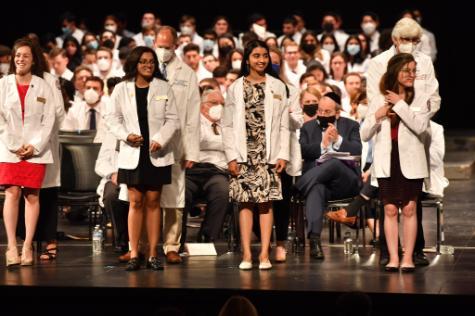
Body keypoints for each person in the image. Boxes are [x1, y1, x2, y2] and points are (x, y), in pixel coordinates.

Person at [366, 17, 441, 266]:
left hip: (414, 136)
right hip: (388, 135)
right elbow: (375, 101)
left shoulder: (424, 62)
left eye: (414, 41)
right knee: (388, 207)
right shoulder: (378, 63)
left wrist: (407, 107)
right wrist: (384, 111)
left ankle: (412, 253)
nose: (410, 44)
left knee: (411, 206)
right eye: (406, 40)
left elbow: (431, 99)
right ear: (395, 39)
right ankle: (390, 253)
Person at [107, 46, 180, 271]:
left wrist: (160, 139)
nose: (148, 65)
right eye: (143, 62)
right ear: (134, 64)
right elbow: (111, 118)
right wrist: (126, 136)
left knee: (153, 202)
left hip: (156, 152)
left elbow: (173, 120)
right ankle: (135, 253)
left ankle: (152, 254)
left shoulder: (163, 87)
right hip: (133, 151)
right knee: (135, 202)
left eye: (151, 62)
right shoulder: (121, 88)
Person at [223, 40, 290, 270]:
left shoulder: (278, 86)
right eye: (256, 56)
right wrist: (231, 156)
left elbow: (283, 125)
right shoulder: (235, 87)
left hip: (268, 152)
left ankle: (264, 254)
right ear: (247, 59)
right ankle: (246, 255)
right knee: (245, 203)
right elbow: (227, 125)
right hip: (244, 153)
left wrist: (283, 154)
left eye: (265, 56)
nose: (261, 60)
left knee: (265, 203)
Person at [361, 53, 431, 272]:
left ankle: (408, 257)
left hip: (411, 160)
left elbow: (420, 127)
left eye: (413, 70)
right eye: (406, 70)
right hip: (386, 160)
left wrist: (400, 105)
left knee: (410, 209)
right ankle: (393, 257)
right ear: (394, 72)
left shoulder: (419, 97)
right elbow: (364, 134)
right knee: (389, 209)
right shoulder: (378, 98)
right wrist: (377, 116)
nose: (411, 75)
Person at [0, 39, 56, 266]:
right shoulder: (3, 84)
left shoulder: (43, 86)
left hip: (35, 151)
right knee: (12, 193)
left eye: (25, 55)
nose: (20, 59)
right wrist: (14, 144)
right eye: (17, 55)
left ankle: (27, 247)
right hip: (10, 149)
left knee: (32, 196)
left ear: (34, 60)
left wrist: (34, 145)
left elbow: (49, 120)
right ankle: (11, 246)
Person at [294, 92, 362, 260]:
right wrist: (322, 145)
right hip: (319, 181)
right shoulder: (307, 128)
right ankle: (315, 240)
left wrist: (338, 139)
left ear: (337, 113)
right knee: (316, 189)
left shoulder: (350, 125)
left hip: (345, 181)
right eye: (320, 111)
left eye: (327, 112)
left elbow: (357, 150)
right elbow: (301, 150)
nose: (323, 115)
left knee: (334, 162)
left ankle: (297, 188)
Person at [154, 26, 201, 264]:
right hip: (149, 144)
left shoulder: (187, 74)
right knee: (146, 196)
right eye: (159, 46)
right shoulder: (145, 66)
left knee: (174, 197)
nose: (162, 51)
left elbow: (193, 117)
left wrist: (191, 150)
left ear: (175, 46)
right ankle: (142, 246)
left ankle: (171, 245)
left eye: (167, 46)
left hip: (176, 145)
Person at [181, 90, 230, 245]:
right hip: (192, 170)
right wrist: (221, 144)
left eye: (222, 104)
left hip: (217, 170)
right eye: (214, 103)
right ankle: (178, 240)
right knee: (181, 195)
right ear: (202, 106)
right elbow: (194, 142)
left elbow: (233, 145)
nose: (219, 107)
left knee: (223, 192)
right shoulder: (193, 122)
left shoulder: (228, 124)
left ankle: (208, 237)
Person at [61, 76, 108, 142]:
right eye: (88, 88)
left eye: (95, 88)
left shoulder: (109, 110)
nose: (91, 91)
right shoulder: (74, 110)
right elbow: (67, 133)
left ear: (102, 93)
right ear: (83, 91)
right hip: (79, 147)